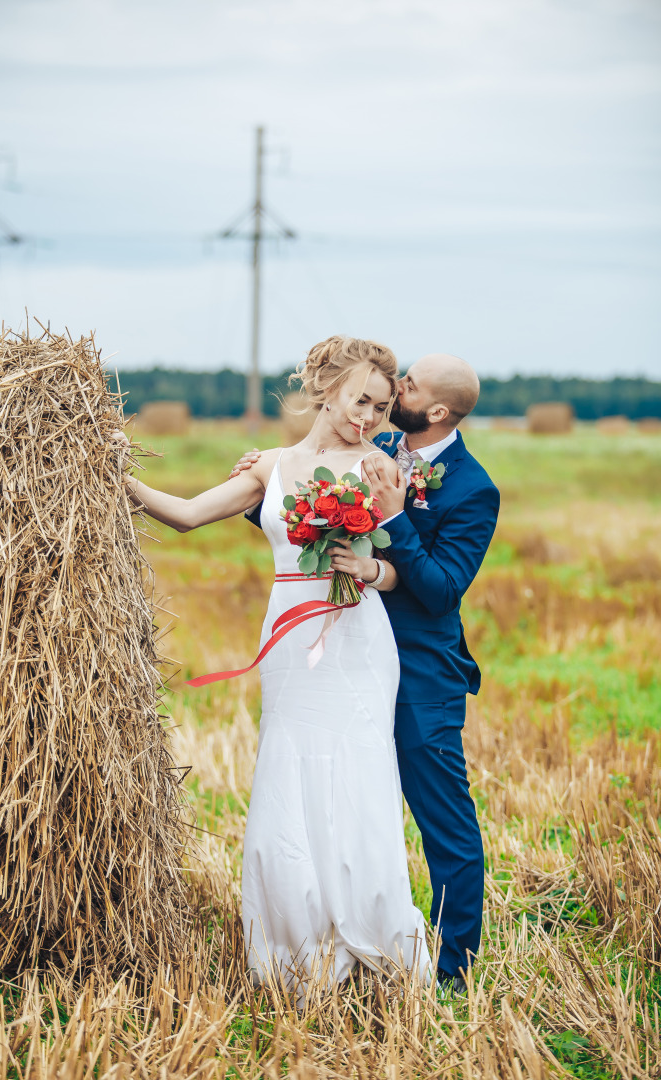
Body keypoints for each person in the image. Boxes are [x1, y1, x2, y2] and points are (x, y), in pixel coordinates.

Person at [113, 336, 431, 1002]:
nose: (368, 417)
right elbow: (189, 516)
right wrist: (116, 475)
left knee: (359, 772)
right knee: (288, 764)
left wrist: (380, 541)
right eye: (358, 400)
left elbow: (411, 569)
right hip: (289, 643)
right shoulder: (273, 467)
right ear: (326, 389)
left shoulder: (384, 468)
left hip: (356, 642)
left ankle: (371, 939)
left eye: (378, 406)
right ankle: (297, 944)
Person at [234, 352, 499, 996]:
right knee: (347, 797)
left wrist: (396, 516)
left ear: (436, 411)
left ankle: (453, 971)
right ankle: (333, 937)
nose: (392, 392)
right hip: (346, 653)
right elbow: (308, 508)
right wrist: (263, 490)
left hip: (423, 669)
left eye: (406, 386)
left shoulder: (471, 489)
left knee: (443, 818)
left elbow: (439, 590)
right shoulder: (376, 443)